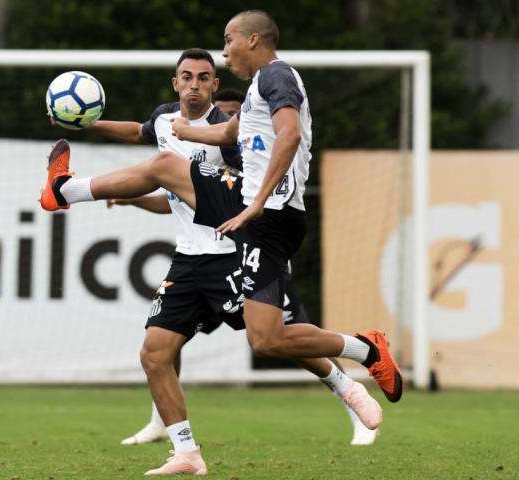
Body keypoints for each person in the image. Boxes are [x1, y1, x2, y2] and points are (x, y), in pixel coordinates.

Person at [38, 13, 401, 472]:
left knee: (166, 165)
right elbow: (208, 140)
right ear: (175, 83)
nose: (223, 54)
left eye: (226, 46)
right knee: (231, 344)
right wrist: (107, 126)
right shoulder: (204, 112)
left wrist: (253, 202)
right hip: (213, 246)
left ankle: (63, 191)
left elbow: (284, 136)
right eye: (188, 76)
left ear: (251, 41)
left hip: (249, 226)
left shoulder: (275, 76)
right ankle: (188, 450)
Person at [108, 86, 377, 449]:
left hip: (240, 257)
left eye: (234, 116)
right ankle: (163, 425)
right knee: (162, 344)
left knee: (287, 339)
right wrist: (133, 198)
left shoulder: (242, 150)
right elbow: (175, 201)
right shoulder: (181, 138)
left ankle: (352, 396)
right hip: (192, 261)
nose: (231, 120)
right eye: (227, 114)